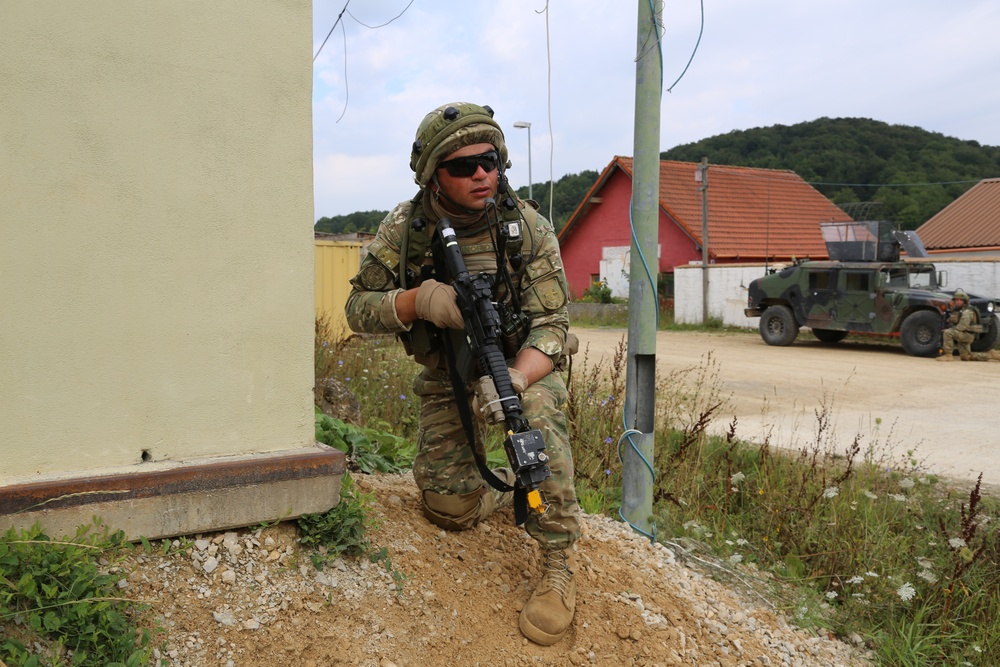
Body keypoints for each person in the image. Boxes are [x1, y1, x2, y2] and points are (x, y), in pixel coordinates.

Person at [344, 102, 581, 646]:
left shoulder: (526, 227)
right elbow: (358, 309)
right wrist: (418, 301)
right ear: (433, 175)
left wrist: (518, 379)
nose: (481, 174)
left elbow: (552, 325)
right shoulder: (408, 230)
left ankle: (559, 560)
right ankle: (496, 495)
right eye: (463, 165)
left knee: (537, 418)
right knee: (449, 510)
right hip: (448, 372)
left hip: (520, 367)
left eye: (491, 160)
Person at [936, 289, 1000, 361]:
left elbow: (962, 327)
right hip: (965, 334)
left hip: (967, 335)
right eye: (956, 300)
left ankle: (948, 355)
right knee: (966, 357)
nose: (958, 302)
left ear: (965, 301)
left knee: (948, 333)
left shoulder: (967, 311)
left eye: (960, 300)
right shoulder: (959, 310)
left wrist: (949, 329)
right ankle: (990, 355)